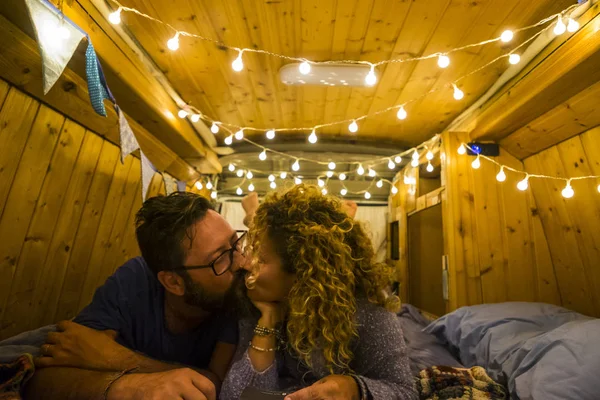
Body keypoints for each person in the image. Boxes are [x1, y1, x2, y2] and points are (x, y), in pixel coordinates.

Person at [24, 192, 246, 400]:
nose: (242, 262)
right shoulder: (134, 280)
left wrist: (112, 357)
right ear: (174, 282)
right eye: (221, 258)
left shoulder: (235, 294)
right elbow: (47, 376)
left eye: (236, 243)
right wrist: (130, 387)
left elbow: (215, 386)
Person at [221, 185, 417, 400]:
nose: (245, 263)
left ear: (304, 273)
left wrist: (355, 388)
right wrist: (266, 322)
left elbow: (404, 391)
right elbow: (238, 395)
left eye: (262, 258)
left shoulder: (367, 309)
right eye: (251, 250)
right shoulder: (255, 300)